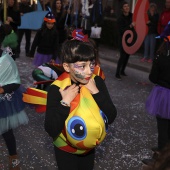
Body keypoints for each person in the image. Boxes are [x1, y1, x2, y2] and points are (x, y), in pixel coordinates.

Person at [44, 35, 117, 170]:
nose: (89, 71)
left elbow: (111, 115)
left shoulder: (96, 82)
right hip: (65, 149)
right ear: (67, 66)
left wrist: (96, 92)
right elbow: (51, 129)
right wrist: (65, 102)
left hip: (88, 149)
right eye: (82, 66)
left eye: (91, 64)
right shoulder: (57, 89)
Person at [142, 22, 170, 166]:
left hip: (164, 95)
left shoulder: (161, 55)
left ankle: (160, 158)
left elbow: (153, 78)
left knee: (163, 128)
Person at [0, 27, 29, 169]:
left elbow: (15, 82)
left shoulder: (5, 60)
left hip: (3, 101)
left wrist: (2, 89)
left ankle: (14, 158)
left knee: (6, 131)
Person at [115, 1, 135, 81]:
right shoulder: (120, 18)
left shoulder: (131, 16)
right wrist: (130, 26)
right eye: (125, 6)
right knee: (122, 56)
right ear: (122, 9)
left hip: (129, 39)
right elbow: (121, 30)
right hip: (122, 39)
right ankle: (117, 73)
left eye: (127, 6)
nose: (127, 8)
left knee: (127, 56)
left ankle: (122, 71)